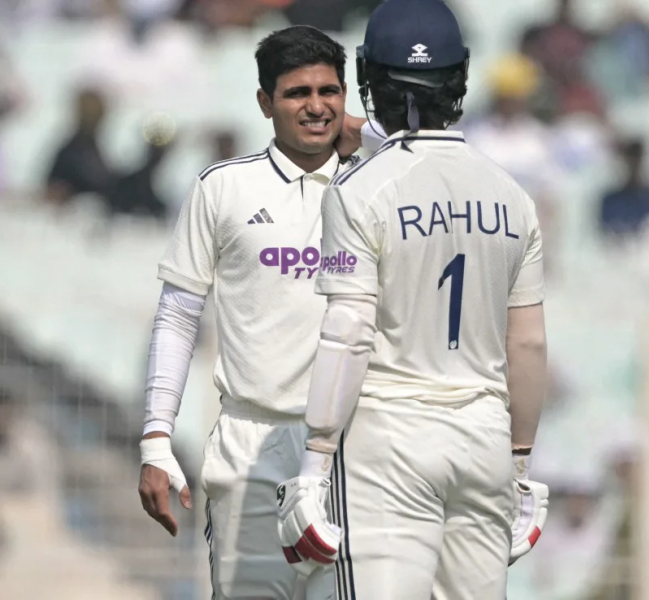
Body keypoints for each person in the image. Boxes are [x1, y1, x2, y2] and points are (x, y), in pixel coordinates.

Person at [275, 1, 551, 598]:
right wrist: (520, 467)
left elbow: (349, 332)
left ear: (370, 79)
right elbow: (527, 344)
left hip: (389, 441)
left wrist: (314, 464)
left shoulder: (359, 191)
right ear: (460, 77)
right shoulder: (512, 196)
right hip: (483, 440)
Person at [136, 25, 378, 600]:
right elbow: (178, 316)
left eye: (329, 91)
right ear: (265, 103)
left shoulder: (379, 184)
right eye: (297, 93)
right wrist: (156, 439)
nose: (316, 107)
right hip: (252, 446)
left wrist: (370, 135)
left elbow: (446, 165)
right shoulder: (223, 187)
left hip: (358, 448)